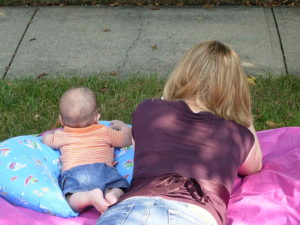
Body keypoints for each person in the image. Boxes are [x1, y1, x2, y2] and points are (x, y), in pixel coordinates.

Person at [96, 40, 263, 225]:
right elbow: (253, 166)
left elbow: (141, 145)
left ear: (182, 74)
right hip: (193, 215)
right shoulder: (236, 133)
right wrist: (243, 114)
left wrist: (163, 101)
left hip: (130, 210)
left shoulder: (149, 109)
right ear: (234, 89)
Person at [42, 87, 131, 214]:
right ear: (97, 118)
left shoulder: (61, 136)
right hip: (102, 169)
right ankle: (113, 195)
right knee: (118, 185)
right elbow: (125, 139)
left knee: (72, 198)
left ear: (61, 120)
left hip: (74, 172)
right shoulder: (104, 131)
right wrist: (122, 126)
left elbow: (46, 140)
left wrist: (49, 135)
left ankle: (89, 197)